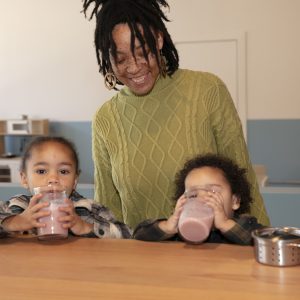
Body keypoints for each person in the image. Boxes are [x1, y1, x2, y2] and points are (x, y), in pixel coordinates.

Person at [82, 0, 270, 229]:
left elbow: (244, 179)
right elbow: (108, 211)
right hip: (142, 258)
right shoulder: (105, 119)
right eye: (121, 59)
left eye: (143, 52)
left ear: (159, 39)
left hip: (214, 253)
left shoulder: (207, 90)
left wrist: (261, 242)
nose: (133, 67)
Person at [0, 136, 131, 239]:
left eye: (63, 171)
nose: (53, 179)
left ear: (74, 180)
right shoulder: (16, 205)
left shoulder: (88, 208)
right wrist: (14, 222)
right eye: (41, 171)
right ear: (24, 179)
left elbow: (127, 234)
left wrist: (84, 227)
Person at [133, 154, 264, 245]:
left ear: (235, 201)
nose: (201, 199)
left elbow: (265, 241)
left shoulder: (244, 224)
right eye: (193, 194)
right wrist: (168, 227)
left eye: (212, 191)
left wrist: (225, 224)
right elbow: (139, 234)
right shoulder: (179, 233)